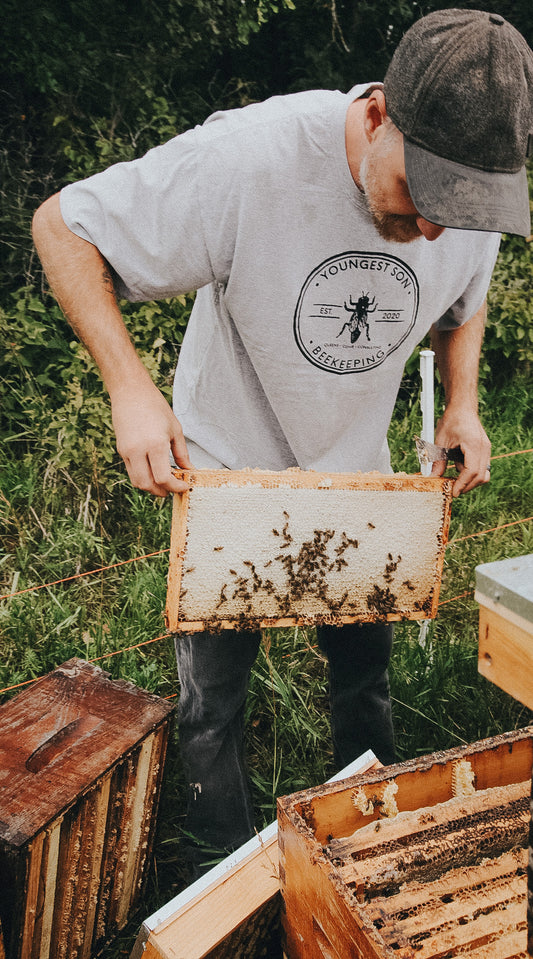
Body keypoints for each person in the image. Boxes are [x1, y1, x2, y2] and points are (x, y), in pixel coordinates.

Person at [32, 8, 533, 874]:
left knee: (363, 683)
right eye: (420, 199)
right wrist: (130, 391)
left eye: (461, 210)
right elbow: (63, 225)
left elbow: (465, 295)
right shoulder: (250, 157)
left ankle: (363, 842)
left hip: (363, 488)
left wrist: (461, 401)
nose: (434, 231)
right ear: (378, 116)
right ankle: (220, 869)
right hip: (229, 474)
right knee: (212, 707)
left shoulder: (464, 199)